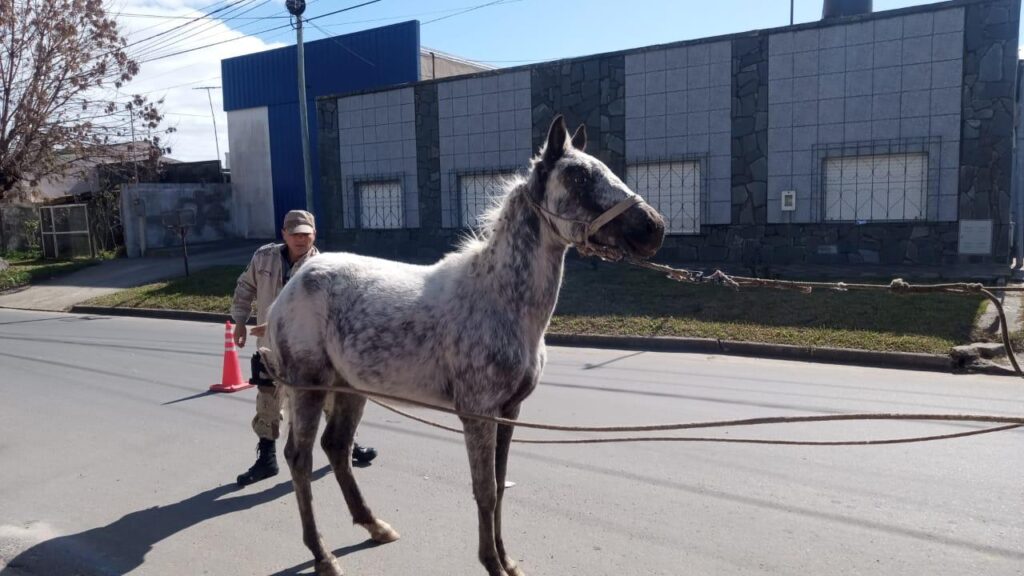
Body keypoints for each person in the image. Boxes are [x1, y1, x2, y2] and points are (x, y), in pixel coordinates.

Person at [231, 209, 378, 487]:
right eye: (295, 234)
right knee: (268, 401)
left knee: (332, 400)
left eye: (306, 235)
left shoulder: (322, 269)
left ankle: (346, 445)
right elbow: (245, 287)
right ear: (284, 234)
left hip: (311, 354)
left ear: (314, 235)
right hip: (271, 349)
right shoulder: (263, 257)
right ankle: (267, 459)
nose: (301, 239)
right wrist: (239, 322)